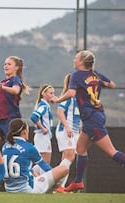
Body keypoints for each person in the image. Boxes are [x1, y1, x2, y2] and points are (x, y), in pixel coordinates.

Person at [51, 50, 125, 192]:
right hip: (95, 115)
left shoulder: (76, 76)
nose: (74, 60)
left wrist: (57, 100)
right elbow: (112, 85)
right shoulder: (95, 75)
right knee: (80, 149)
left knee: (111, 151)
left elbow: (72, 93)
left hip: (92, 119)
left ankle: (77, 181)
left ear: (81, 62)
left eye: (76, 58)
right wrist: (98, 83)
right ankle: (78, 182)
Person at [0, 118, 71, 193]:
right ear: (24, 132)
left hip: (9, 188)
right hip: (27, 189)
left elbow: (20, 165)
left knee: (35, 168)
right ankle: (57, 187)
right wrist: (53, 178)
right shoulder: (29, 147)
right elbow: (45, 167)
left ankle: (50, 185)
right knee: (64, 168)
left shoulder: (5, 146)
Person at [53, 73, 81, 193]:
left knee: (67, 159)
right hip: (65, 130)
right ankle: (55, 183)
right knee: (70, 156)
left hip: (74, 132)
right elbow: (59, 111)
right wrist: (68, 127)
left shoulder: (79, 99)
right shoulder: (69, 96)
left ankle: (59, 186)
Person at [30, 84, 55, 164]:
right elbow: (34, 117)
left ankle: (33, 175)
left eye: (53, 93)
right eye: (50, 93)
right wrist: (42, 128)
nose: (53, 95)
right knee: (45, 163)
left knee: (42, 164)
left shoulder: (45, 105)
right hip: (42, 137)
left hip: (43, 137)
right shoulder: (44, 106)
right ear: (43, 94)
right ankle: (32, 174)